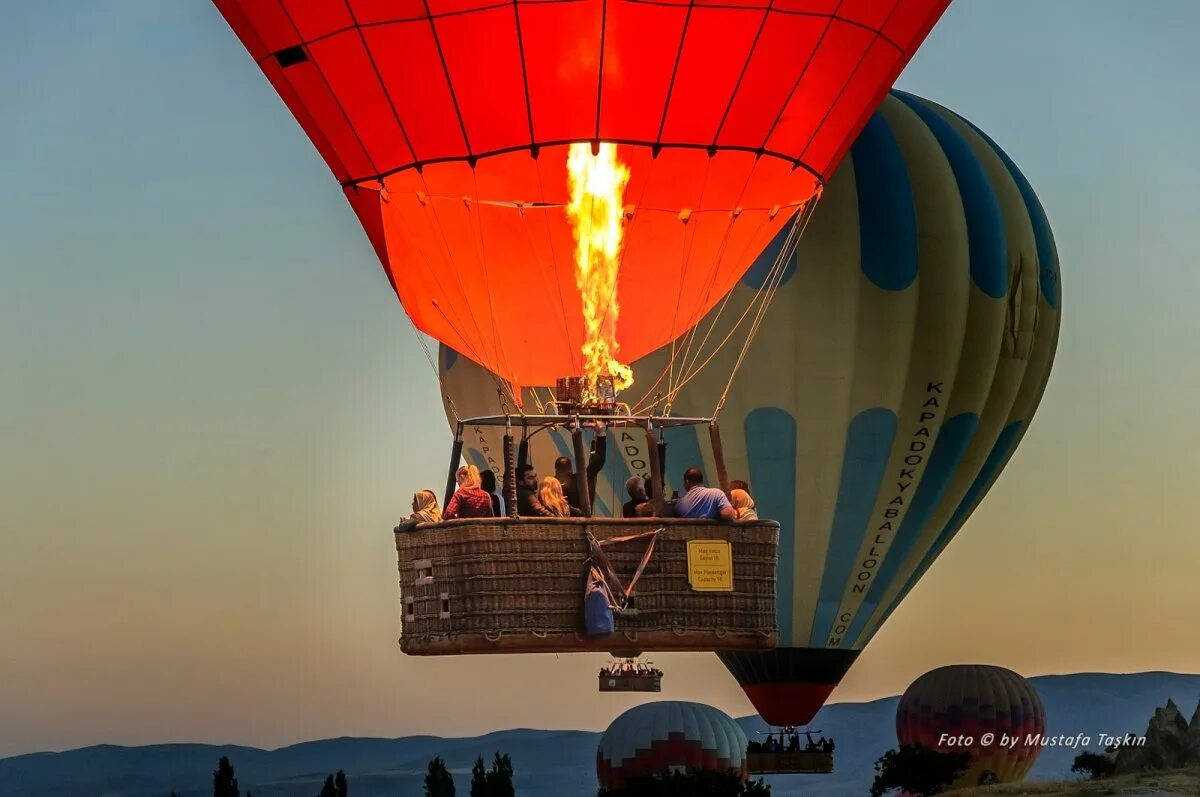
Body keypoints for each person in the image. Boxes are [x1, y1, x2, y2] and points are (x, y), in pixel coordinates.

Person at [555, 422, 607, 512]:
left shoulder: (548, 485)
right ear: (570, 469)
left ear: (556, 470)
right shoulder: (580, 480)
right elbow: (599, 462)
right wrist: (601, 435)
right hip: (581, 520)